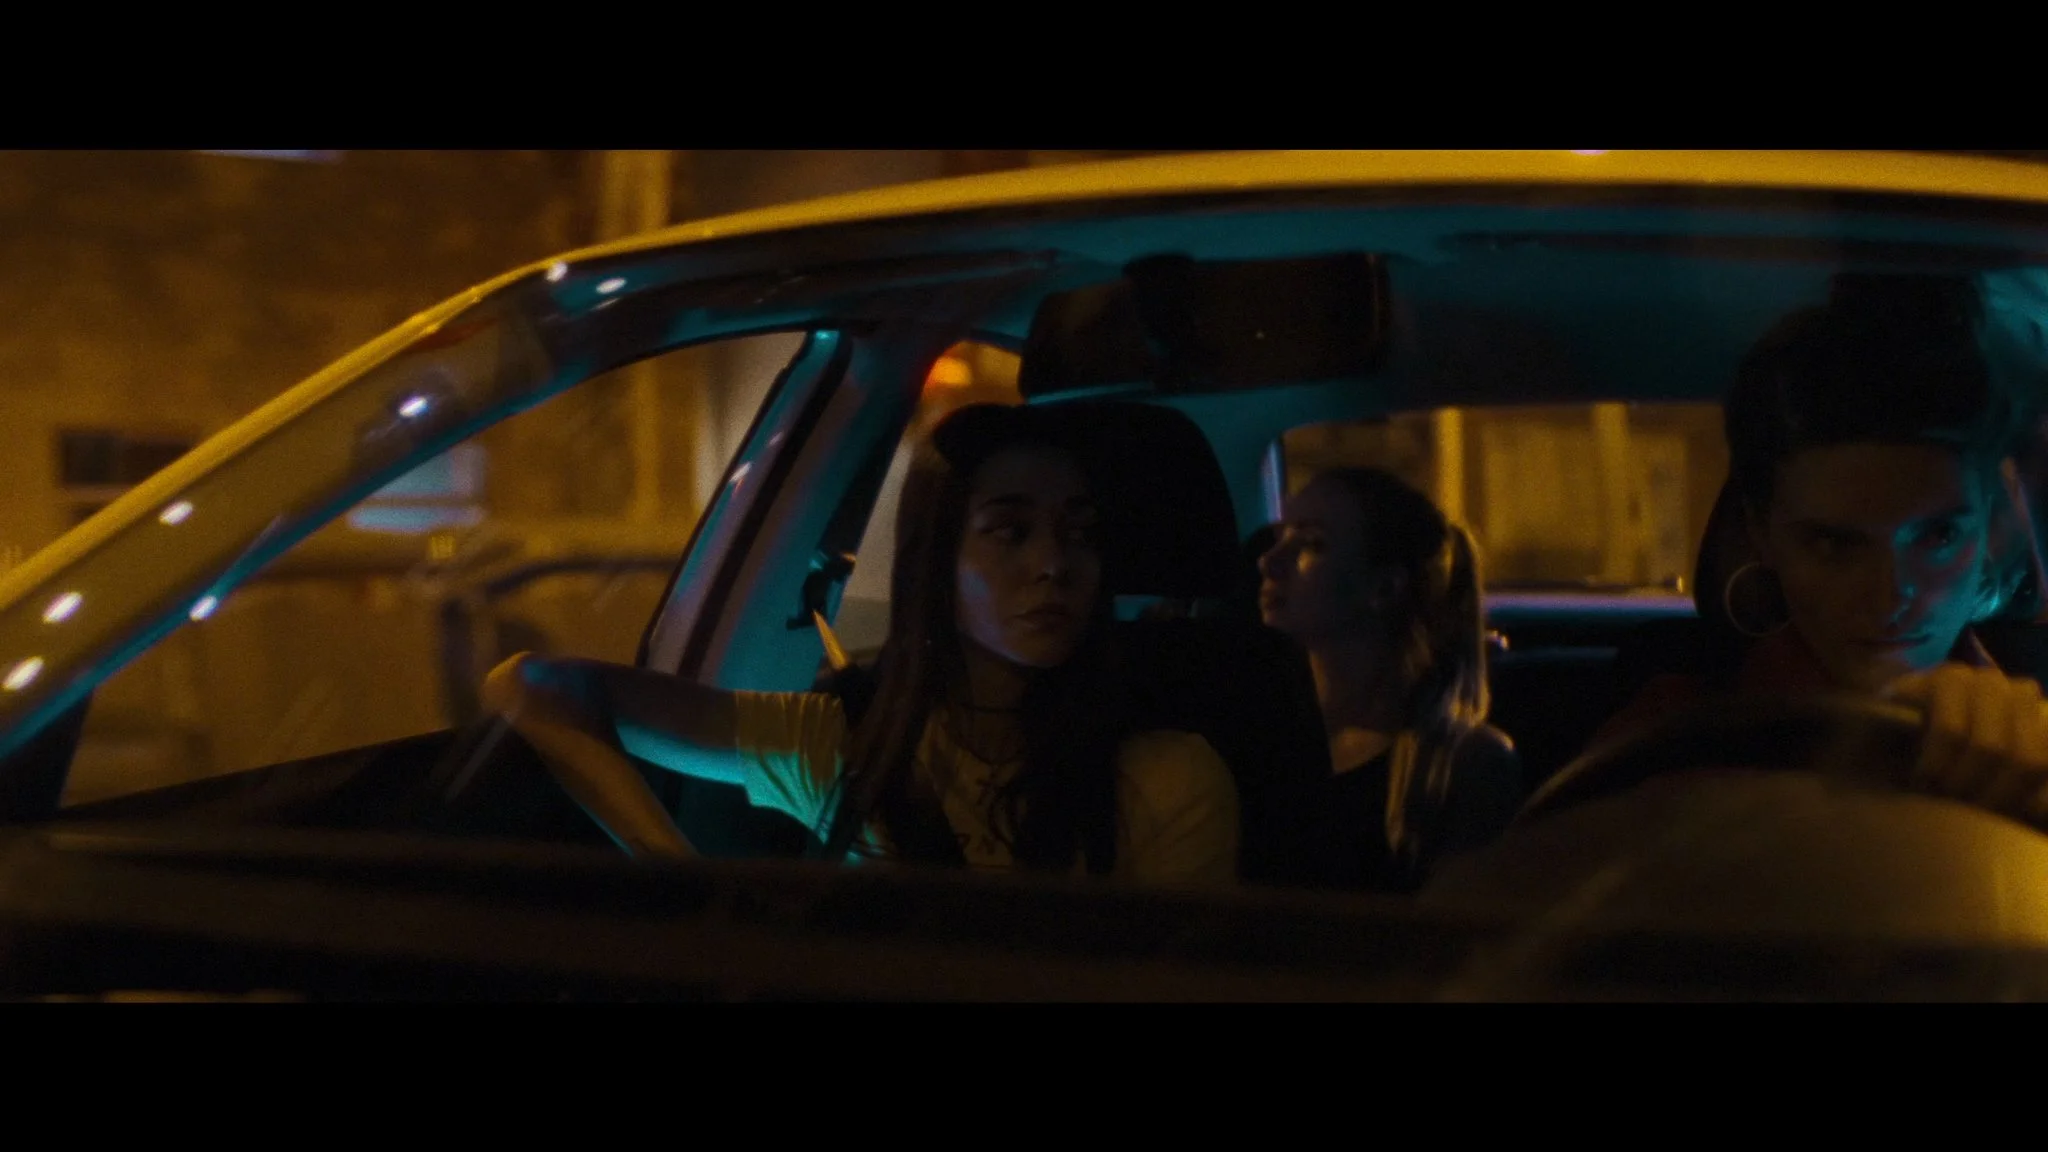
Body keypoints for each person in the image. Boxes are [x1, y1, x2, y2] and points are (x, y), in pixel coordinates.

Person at [479, 403, 1241, 885]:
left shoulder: (1164, 778)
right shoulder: (847, 745)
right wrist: (682, 883)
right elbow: (535, 687)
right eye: (1010, 532)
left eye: (1080, 534)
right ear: (933, 562)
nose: (1054, 563)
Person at [1592, 274, 2048, 825]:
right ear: (1762, 532)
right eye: (1835, 544)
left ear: (1991, 532)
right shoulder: (1668, 737)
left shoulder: (2032, 737)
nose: (1890, 594)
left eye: (1937, 536)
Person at [1254, 467, 1523, 892]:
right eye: (1281, 536)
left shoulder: (1455, 767)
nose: (1269, 562)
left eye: (1312, 544)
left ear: (1382, 588)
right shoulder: (1262, 738)